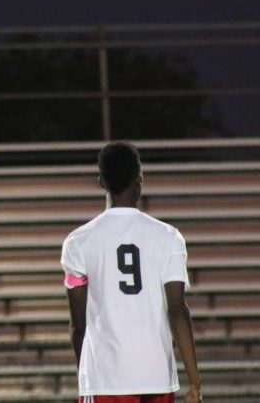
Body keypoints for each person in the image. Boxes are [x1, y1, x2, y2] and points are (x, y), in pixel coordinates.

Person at [61, 141, 202, 403]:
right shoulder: (169, 237)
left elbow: (78, 324)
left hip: (106, 379)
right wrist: (194, 382)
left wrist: (88, 376)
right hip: (156, 376)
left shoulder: (78, 242)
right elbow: (178, 310)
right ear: (140, 180)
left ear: (102, 182)